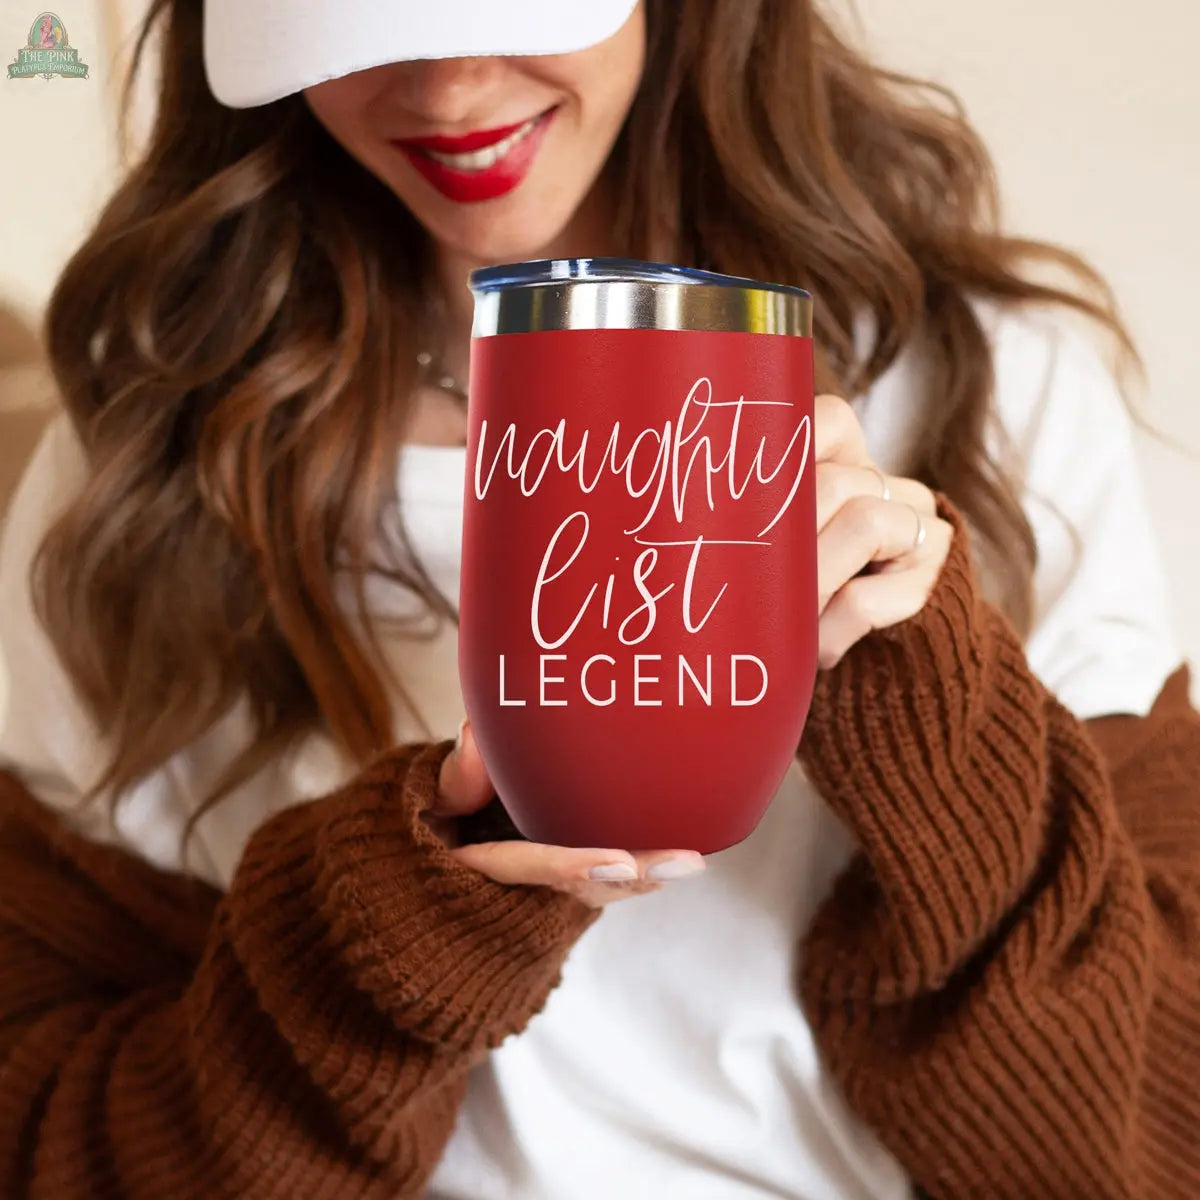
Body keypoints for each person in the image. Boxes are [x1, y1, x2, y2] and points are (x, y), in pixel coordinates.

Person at [0, 0, 1196, 1197]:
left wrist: (949, 740)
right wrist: (370, 958)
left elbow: (1141, 1135)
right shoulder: (138, 473)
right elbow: (54, 1137)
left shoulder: (994, 388)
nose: (450, 88)